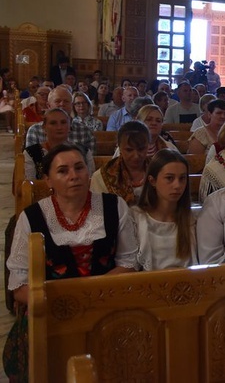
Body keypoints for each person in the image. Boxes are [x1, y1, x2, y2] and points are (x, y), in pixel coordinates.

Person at [6, 143, 137, 378]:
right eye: (63, 171)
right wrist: (60, 302)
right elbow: (18, 284)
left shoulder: (114, 206)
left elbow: (128, 262)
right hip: (52, 309)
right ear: (48, 180)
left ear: (88, 172)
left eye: (79, 168)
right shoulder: (32, 217)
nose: (74, 176)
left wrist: (89, 297)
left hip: (105, 301)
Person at [131, 150, 198, 270]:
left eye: (182, 178)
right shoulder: (136, 218)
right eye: (169, 178)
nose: (177, 185)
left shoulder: (191, 219)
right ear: (152, 181)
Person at [91, 121, 150, 205]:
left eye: (141, 149)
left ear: (148, 146)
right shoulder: (101, 178)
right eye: (129, 150)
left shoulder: (159, 171)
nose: (136, 156)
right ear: (119, 147)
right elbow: (98, 211)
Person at [25, 108, 94, 179]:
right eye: (53, 123)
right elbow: (29, 185)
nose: (59, 127)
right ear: (44, 128)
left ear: (69, 126)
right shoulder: (31, 153)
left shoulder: (84, 152)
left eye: (63, 122)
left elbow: (89, 181)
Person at [25, 86, 95, 156]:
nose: (62, 104)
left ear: (71, 105)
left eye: (66, 101)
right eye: (57, 101)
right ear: (48, 105)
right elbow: (33, 161)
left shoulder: (85, 131)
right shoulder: (35, 130)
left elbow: (87, 162)